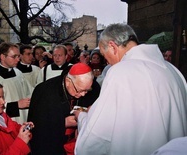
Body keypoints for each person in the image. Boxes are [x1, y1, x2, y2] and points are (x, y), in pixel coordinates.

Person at [74, 23, 187, 155]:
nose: (108, 62)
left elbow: (97, 135)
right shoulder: (174, 70)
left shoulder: (119, 72)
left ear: (112, 46)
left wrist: (82, 117)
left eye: (105, 56)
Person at [27, 63, 100, 155]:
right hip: (52, 147)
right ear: (68, 81)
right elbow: (37, 126)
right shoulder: (44, 91)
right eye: (80, 90)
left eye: (87, 90)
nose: (83, 94)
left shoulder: (93, 87)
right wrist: (62, 123)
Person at [0, 42, 33, 124]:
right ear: (2, 57)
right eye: (14, 57)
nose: (18, 59)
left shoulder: (18, 73)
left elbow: (29, 92)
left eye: (18, 56)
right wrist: (16, 105)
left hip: (23, 117)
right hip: (4, 121)